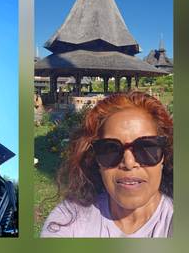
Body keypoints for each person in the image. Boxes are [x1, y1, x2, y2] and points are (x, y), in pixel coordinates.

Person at [41, 91, 173, 238]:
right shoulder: (69, 219)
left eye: (146, 148)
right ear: (96, 160)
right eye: (110, 149)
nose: (129, 163)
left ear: (163, 156)